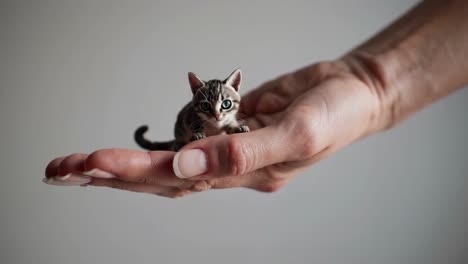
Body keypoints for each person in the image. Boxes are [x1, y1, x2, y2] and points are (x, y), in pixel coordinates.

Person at [44, 0, 468, 198]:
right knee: (179, 143)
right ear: (195, 94)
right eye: (207, 103)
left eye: (225, 103)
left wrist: (373, 86)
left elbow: (234, 124)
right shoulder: (195, 115)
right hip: (183, 138)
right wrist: (372, 83)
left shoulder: (233, 108)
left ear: (236, 91)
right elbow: (200, 125)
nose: (216, 110)